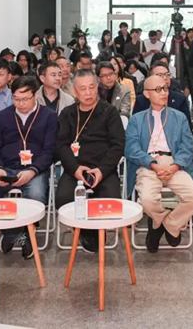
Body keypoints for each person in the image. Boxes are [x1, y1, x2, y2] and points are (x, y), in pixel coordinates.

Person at [124, 75, 193, 252]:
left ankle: (167, 225)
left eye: (165, 89)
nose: (164, 93)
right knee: (147, 200)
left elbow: (187, 146)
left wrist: (175, 166)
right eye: (158, 90)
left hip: (175, 164)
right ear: (147, 94)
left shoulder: (179, 117)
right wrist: (152, 164)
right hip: (148, 164)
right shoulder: (137, 119)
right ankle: (162, 221)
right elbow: (131, 148)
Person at [0, 75, 56, 259]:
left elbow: (50, 151)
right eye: (16, 99)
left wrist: (32, 171)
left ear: (35, 95)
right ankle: (12, 231)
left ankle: (24, 233)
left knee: (36, 195)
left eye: (25, 99)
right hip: (6, 167)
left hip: (35, 169)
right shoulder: (3, 116)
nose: (20, 103)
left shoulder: (49, 116)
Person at [56, 70, 125, 253]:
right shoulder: (67, 114)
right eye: (83, 89)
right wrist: (75, 169)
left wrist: (101, 171)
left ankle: (97, 229)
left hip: (103, 170)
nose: (88, 93)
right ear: (75, 92)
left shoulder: (109, 112)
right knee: (63, 198)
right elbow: (61, 146)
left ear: (97, 88)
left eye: (91, 87)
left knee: (111, 199)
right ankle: (86, 231)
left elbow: (118, 146)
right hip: (75, 169)